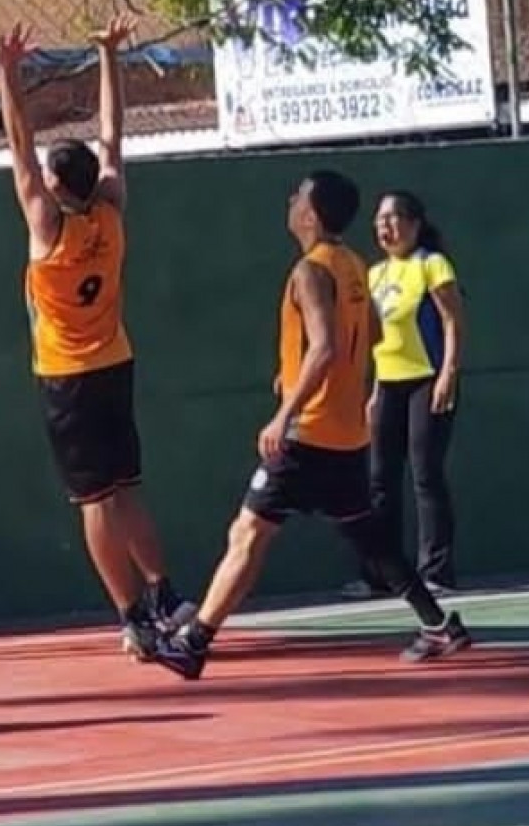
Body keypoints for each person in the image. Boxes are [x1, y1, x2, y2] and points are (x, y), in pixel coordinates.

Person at [152, 169, 470, 681]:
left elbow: (324, 347)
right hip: (345, 436)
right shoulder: (352, 265)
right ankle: (438, 625)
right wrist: (303, 371)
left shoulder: (310, 270)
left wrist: (287, 410)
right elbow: (367, 337)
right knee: (370, 539)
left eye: (297, 195)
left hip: (308, 433)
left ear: (311, 213)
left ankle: (194, 641)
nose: (291, 201)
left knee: (249, 531)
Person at [0, 16, 193, 658]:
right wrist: (109, 55)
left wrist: (8, 73)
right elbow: (113, 138)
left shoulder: (47, 228)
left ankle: (132, 615)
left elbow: (19, 145)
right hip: (115, 363)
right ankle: (165, 591)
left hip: (68, 377)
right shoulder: (110, 208)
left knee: (95, 502)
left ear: (56, 186)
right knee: (128, 487)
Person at [362, 188, 466, 592]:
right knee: (380, 479)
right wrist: (373, 392)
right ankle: (384, 574)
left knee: (425, 474)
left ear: (414, 224)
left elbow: (454, 322)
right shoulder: (375, 275)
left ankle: (435, 572)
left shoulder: (432, 265)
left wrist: (447, 374)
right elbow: (378, 341)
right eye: (379, 220)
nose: (384, 227)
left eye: (392, 218)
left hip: (427, 378)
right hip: (388, 383)